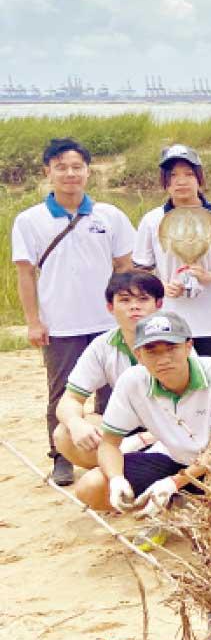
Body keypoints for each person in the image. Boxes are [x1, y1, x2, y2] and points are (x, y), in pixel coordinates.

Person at [11, 138, 135, 484]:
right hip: (61, 324)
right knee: (62, 392)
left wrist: (128, 311)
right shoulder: (29, 220)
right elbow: (26, 274)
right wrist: (33, 322)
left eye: (77, 167)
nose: (70, 174)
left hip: (109, 321)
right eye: (61, 167)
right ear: (47, 172)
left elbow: (125, 266)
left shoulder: (109, 215)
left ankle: (120, 452)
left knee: (119, 388)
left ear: (88, 171)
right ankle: (60, 458)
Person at [73, 311, 211, 514]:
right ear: (138, 355)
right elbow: (109, 444)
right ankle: (168, 510)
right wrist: (116, 479)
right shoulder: (132, 382)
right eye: (151, 351)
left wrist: (174, 483)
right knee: (91, 486)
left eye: (171, 348)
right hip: (171, 457)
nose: (163, 359)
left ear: (188, 346)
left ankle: (185, 504)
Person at [134, 144, 211, 371]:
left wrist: (210, 276)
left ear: (199, 178)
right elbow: (140, 271)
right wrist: (161, 286)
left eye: (188, 174)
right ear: (165, 181)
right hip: (169, 322)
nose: (181, 181)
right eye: (173, 175)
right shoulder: (152, 220)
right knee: (172, 380)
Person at [54, 271, 165, 471]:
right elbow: (70, 399)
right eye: (125, 300)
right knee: (64, 433)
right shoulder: (103, 345)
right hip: (128, 431)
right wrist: (76, 423)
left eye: (143, 299)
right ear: (110, 308)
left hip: (172, 432)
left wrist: (143, 439)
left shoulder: (174, 341)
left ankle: (131, 468)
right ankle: (123, 468)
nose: (134, 306)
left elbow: (195, 411)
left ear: (159, 305)